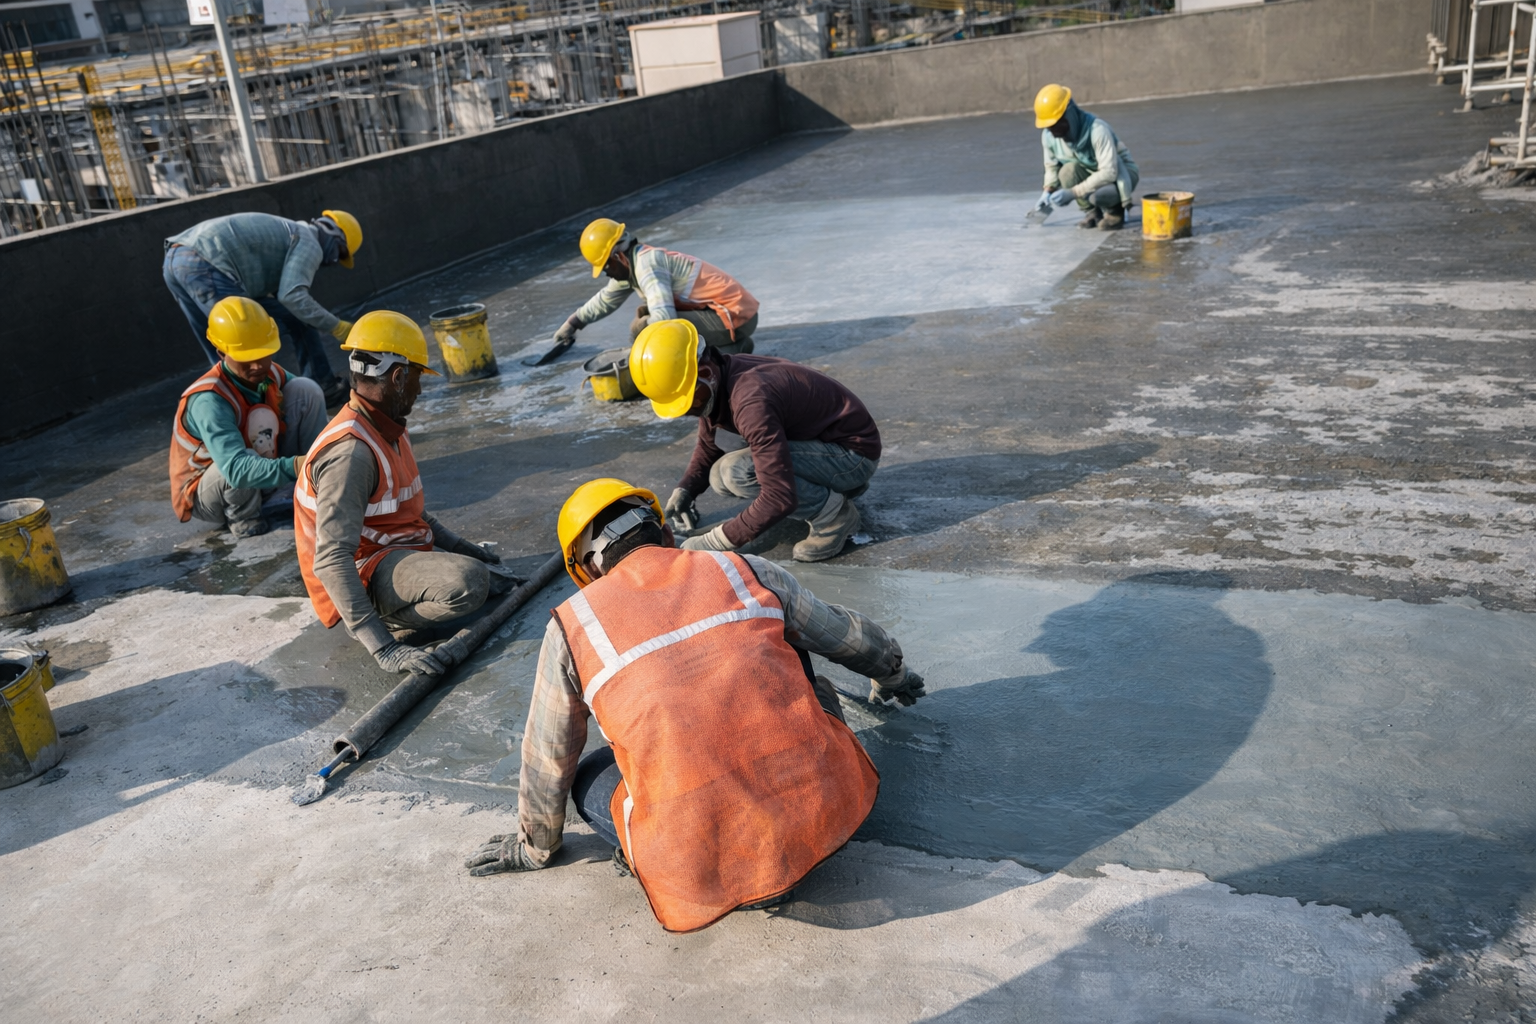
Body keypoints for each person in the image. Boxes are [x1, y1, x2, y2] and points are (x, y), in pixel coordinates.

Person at [463, 479, 926, 932]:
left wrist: (534, 847)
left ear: (585, 572)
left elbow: (548, 754)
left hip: (702, 868)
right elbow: (845, 636)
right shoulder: (743, 571)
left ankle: (660, 855)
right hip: (827, 822)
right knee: (809, 678)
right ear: (665, 534)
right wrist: (894, 675)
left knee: (589, 774)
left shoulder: (571, 628)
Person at [293, 310, 519, 676]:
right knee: (468, 583)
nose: (420, 388)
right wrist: (385, 650)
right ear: (398, 378)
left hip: (390, 553)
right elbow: (331, 561)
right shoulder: (352, 454)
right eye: (417, 378)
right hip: (359, 575)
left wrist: (466, 549)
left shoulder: (388, 426)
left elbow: (411, 511)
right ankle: (389, 621)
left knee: (476, 569)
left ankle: (417, 591)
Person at [629, 319, 878, 562]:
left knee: (736, 472)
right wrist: (686, 490)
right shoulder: (720, 376)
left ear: (705, 373)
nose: (685, 411)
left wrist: (715, 542)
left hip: (853, 457)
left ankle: (834, 516)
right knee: (719, 475)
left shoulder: (751, 399)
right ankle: (830, 490)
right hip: (826, 446)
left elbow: (779, 496)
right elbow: (710, 443)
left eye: (686, 402)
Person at [163, 210, 364, 405]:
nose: (333, 261)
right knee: (248, 338)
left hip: (176, 259)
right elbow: (293, 296)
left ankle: (321, 386)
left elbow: (291, 302)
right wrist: (337, 327)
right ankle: (255, 407)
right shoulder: (310, 242)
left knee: (221, 341)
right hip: (204, 263)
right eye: (340, 254)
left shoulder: (289, 232)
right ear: (336, 238)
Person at [169, 296, 326, 539]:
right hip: (211, 492)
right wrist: (298, 465)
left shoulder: (269, 371)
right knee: (238, 464)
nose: (257, 366)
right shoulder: (209, 399)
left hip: (258, 463)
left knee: (306, 390)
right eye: (246, 358)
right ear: (222, 353)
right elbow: (235, 470)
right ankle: (244, 516)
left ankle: (317, 482)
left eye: (263, 354)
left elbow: (306, 404)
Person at [545, 218, 760, 362]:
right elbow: (605, 300)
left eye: (606, 266)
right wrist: (572, 323)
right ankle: (734, 347)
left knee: (644, 326)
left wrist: (639, 349)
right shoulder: (633, 264)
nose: (605, 273)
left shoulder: (647, 266)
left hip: (735, 316)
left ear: (618, 256)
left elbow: (665, 318)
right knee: (645, 317)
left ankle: (725, 353)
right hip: (732, 315)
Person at [1032, 84, 1140, 231]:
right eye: (1049, 126)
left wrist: (1073, 193)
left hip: (1121, 174)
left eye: (1056, 124)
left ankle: (1115, 212)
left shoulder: (1097, 130)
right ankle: (1092, 214)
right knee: (1067, 172)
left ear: (1069, 115)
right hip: (1088, 170)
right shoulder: (1049, 136)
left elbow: (1109, 172)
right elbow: (1051, 166)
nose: (1053, 131)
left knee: (1099, 196)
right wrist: (1047, 191)